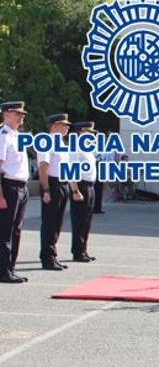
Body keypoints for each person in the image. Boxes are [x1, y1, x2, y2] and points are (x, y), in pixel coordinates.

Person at [38, 113, 74, 271]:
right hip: (52, 184)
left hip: (62, 184)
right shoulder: (46, 142)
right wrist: (46, 190)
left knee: (57, 223)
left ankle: (53, 255)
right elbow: (43, 167)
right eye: (63, 124)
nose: (67, 127)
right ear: (53, 125)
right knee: (49, 222)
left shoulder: (61, 144)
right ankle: (47, 258)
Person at [0, 100, 30, 284]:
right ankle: (3, 271)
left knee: (16, 230)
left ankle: (11, 268)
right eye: (17, 114)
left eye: (22, 114)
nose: (21, 117)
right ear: (6, 115)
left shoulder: (17, 136)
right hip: (8, 186)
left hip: (21, 187)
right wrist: (0, 195)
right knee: (5, 231)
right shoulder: (3, 136)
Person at [68, 121, 99, 263]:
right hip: (80, 186)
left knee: (86, 221)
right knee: (79, 221)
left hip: (90, 186)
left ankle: (83, 249)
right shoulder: (75, 148)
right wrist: (75, 190)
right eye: (89, 132)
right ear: (81, 132)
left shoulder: (87, 148)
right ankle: (77, 252)